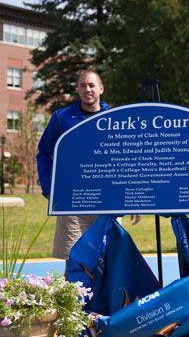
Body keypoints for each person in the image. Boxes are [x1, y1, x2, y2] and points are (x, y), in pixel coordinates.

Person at [37, 70, 140, 262]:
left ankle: (108, 294)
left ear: (101, 89)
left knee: (110, 261)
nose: (88, 89)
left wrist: (132, 197)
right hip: (73, 204)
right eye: (83, 85)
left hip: (108, 202)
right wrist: (49, 190)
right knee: (75, 261)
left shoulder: (116, 118)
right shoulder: (61, 118)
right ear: (77, 90)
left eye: (92, 85)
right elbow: (44, 154)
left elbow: (126, 158)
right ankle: (74, 294)